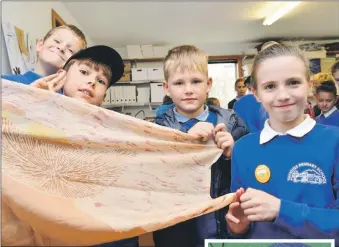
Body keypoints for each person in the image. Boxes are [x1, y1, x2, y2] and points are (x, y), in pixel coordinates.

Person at [226, 43, 339, 242]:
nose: (283, 95)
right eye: (270, 86)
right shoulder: (243, 149)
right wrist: (238, 228)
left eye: (293, 82)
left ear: (309, 85)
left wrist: (280, 210)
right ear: (256, 93)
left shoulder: (334, 141)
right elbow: (240, 229)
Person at [31, 45, 138, 247]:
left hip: (102, 229)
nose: (92, 81)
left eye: (101, 81)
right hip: (52, 226)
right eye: (84, 72)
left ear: (104, 96)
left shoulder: (114, 132)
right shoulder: (36, 114)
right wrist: (28, 103)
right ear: (61, 75)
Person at [153, 45, 248, 247]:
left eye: (196, 81)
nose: (188, 90)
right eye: (179, 83)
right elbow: (154, 178)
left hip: (222, 224)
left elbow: (249, 174)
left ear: (208, 84)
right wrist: (185, 143)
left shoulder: (233, 123)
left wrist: (233, 154)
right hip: (176, 227)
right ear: (166, 88)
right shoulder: (158, 129)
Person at [2, 25, 87, 86]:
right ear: (40, 44)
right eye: (57, 41)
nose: (61, 48)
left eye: (71, 50)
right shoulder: (5, 82)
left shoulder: (70, 100)